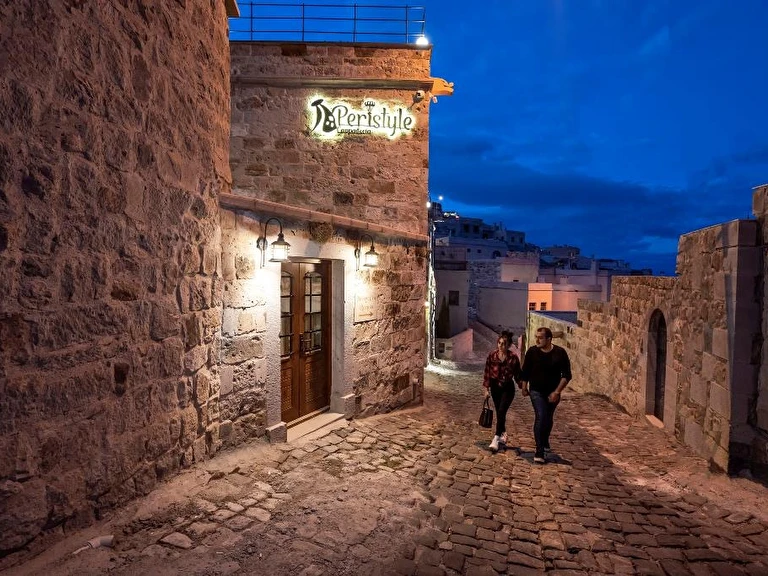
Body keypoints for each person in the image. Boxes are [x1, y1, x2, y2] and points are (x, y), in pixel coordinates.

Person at [520, 327, 572, 464]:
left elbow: (566, 375)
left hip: (553, 392)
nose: (537, 339)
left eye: (540, 337)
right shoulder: (532, 352)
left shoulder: (560, 353)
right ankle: (539, 450)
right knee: (541, 416)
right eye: (536, 336)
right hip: (536, 391)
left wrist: (557, 392)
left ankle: (545, 440)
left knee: (548, 418)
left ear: (549, 339)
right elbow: (525, 371)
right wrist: (524, 387)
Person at [483, 334, 522, 453]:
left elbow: (517, 374)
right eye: (499, 343)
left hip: (507, 388)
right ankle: (503, 432)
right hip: (495, 387)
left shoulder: (513, 357)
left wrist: (523, 386)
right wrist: (486, 389)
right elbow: (487, 373)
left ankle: (496, 438)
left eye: (504, 344)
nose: (501, 346)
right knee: (500, 412)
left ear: (508, 345)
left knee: (501, 411)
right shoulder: (492, 356)